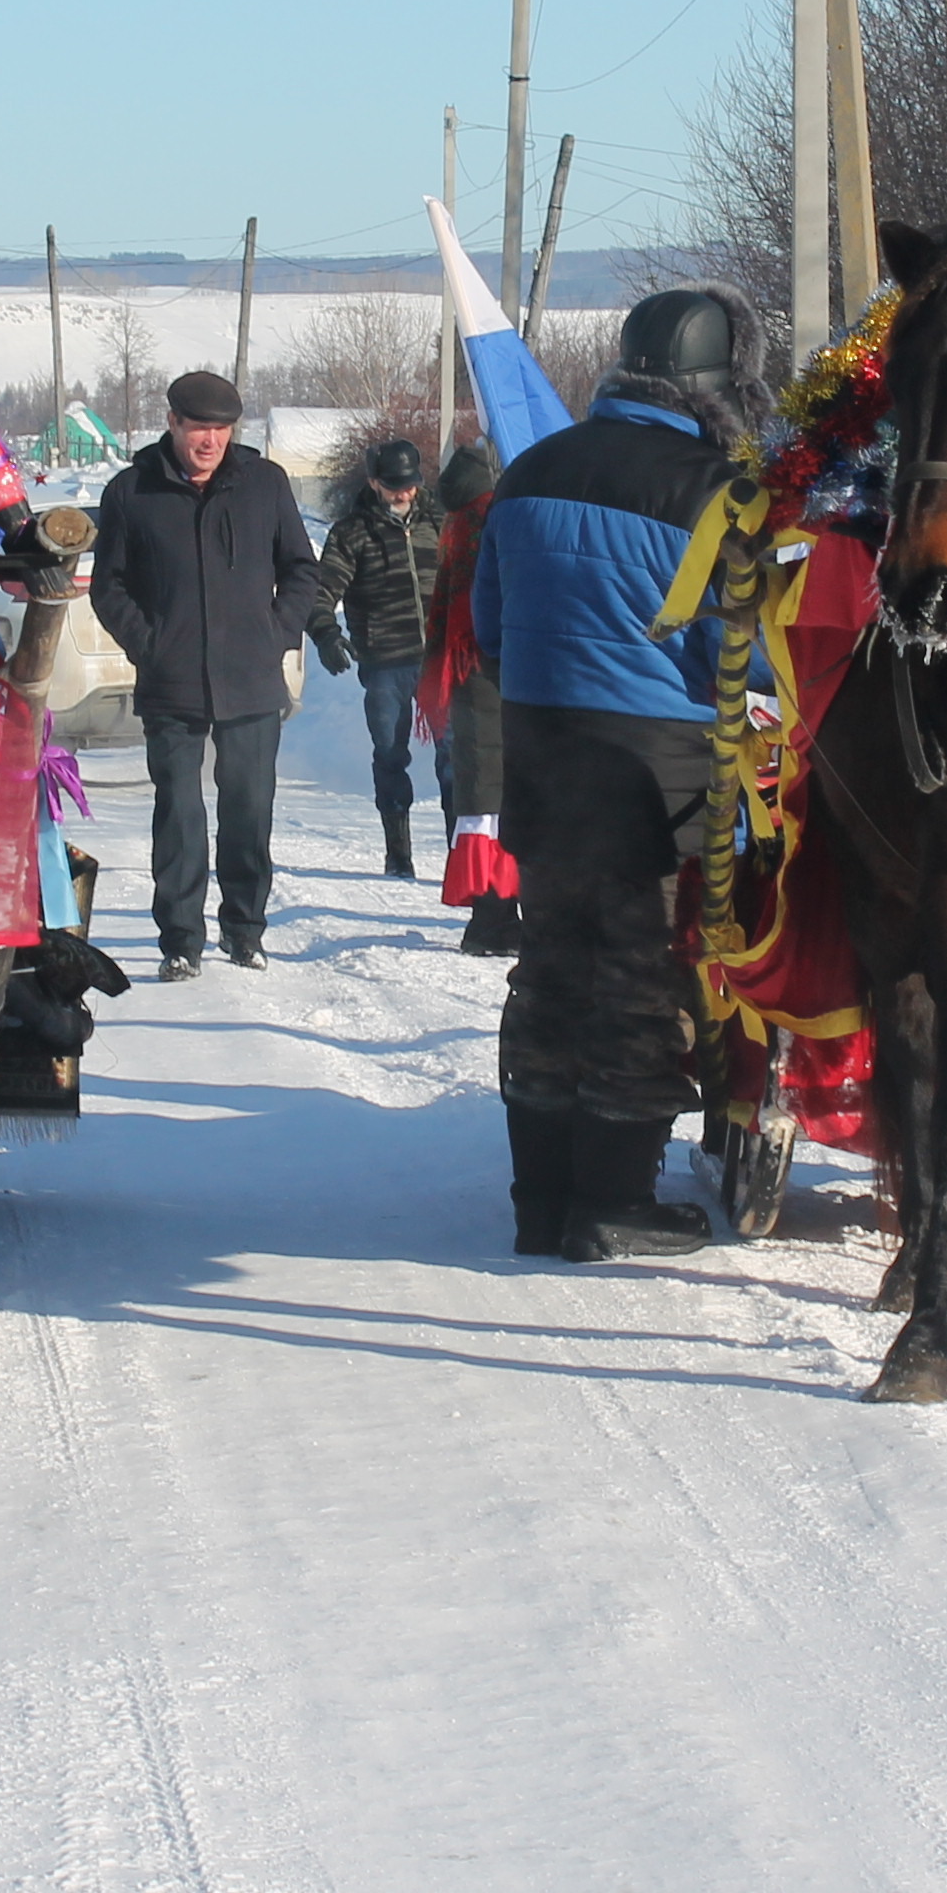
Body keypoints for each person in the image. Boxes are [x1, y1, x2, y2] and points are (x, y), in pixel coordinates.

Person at [475, 290, 757, 1260]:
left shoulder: (528, 471)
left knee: (551, 974)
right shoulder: (719, 490)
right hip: (658, 779)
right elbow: (744, 653)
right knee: (643, 983)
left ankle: (538, 1202)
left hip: (544, 761)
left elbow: (489, 631)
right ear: (715, 389)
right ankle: (612, 1201)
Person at [88, 369, 325, 980]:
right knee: (180, 813)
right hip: (171, 683)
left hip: (250, 681)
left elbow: (301, 570)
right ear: (172, 423)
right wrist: (150, 645)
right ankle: (180, 939)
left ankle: (245, 930)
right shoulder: (131, 492)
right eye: (199, 428)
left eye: (221, 430)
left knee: (248, 809)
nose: (210, 441)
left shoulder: (264, 485)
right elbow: (108, 588)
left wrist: (274, 634)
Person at [309, 436, 439, 879]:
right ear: (374, 483)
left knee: (460, 757)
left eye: (410, 484)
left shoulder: (440, 523)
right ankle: (398, 853)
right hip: (386, 662)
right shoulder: (352, 533)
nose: (403, 493)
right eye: (393, 485)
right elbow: (321, 593)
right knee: (390, 754)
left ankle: (461, 853)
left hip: (440, 661)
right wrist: (327, 634)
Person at [420, 440, 521, 955]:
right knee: (497, 803)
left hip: (463, 681)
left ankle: (494, 916)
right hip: (493, 677)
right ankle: (493, 921)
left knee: (480, 802)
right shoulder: (491, 523)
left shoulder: (458, 525)